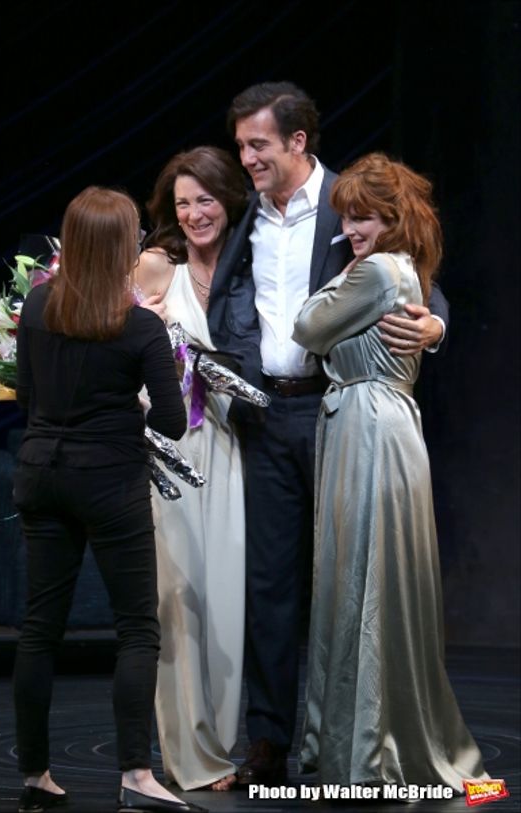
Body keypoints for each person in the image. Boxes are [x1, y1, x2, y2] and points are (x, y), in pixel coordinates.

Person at [206, 81, 449, 786]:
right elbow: (229, 298)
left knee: (346, 582)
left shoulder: (351, 202)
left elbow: (417, 280)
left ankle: (346, 737)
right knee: (271, 585)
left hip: (335, 410)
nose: (246, 157)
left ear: (297, 142)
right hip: (266, 416)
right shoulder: (247, 214)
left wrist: (433, 326)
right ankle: (271, 740)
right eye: (242, 144)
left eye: (258, 144)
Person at [292, 152, 489, 790]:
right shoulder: (401, 269)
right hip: (381, 421)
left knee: (365, 580)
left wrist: (349, 277)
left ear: (394, 219)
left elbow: (307, 327)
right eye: (347, 218)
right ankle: (370, 742)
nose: (352, 230)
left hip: (368, 423)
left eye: (365, 218)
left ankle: (371, 751)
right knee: (370, 580)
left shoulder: (377, 269)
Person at [12, 186, 206, 813]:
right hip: (110, 481)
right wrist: (159, 359)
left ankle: (34, 775)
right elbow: (173, 423)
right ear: (125, 249)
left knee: (39, 630)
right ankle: (135, 775)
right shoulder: (141, 325)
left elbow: (27, 400)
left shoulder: (38, 306)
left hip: (42, 473)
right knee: (137, 631)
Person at [134, 146, 248, 792]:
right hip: (171, 451)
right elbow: (116, 336)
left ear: (227, 197)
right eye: (183, 202)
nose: (195, 212)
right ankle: (191, 756)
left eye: (205, 198)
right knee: (180, 602)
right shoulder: (159, 265)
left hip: (231, 449)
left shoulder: (246, 263)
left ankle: (226, 741)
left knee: (227, 600)